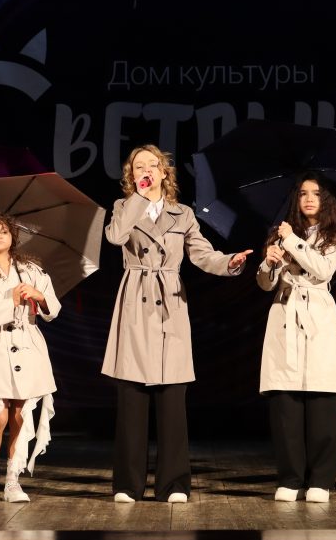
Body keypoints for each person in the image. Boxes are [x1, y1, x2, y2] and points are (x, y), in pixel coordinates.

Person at [103, 144, 252, 503]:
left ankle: (174, 484)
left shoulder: (182, 213)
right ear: (131, 175)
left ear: (164, 171)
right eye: (139, 166)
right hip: (136, 299)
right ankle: (127, 484)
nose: (146, 170)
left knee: (172, 400)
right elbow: (115, 237)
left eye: (152, 165)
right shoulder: (124, 206)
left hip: (169, 301)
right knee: (132, 397)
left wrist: (229, 262)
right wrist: (139, 199)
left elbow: (202, 254)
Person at [256, 172, 336, 503]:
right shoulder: (280, 234)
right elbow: (266, 284)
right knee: (286, 405)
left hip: (318, 319)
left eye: (316, 194)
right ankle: (290, 478)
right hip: (285, 314)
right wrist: (269, 263)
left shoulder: (333, 235)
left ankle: (321, 480)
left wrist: (292, 242)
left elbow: (322, 270)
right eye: (302, 194)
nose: (309, 199)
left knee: (321, 403)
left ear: (326, 201)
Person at [0, 211, 59, 503]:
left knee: (20, 415)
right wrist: (12, 301)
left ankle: (12, 481)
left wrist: (39, 296)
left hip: (28, 346)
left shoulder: (31, 269)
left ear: (12, 236)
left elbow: (53, 309)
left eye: (3, 231)